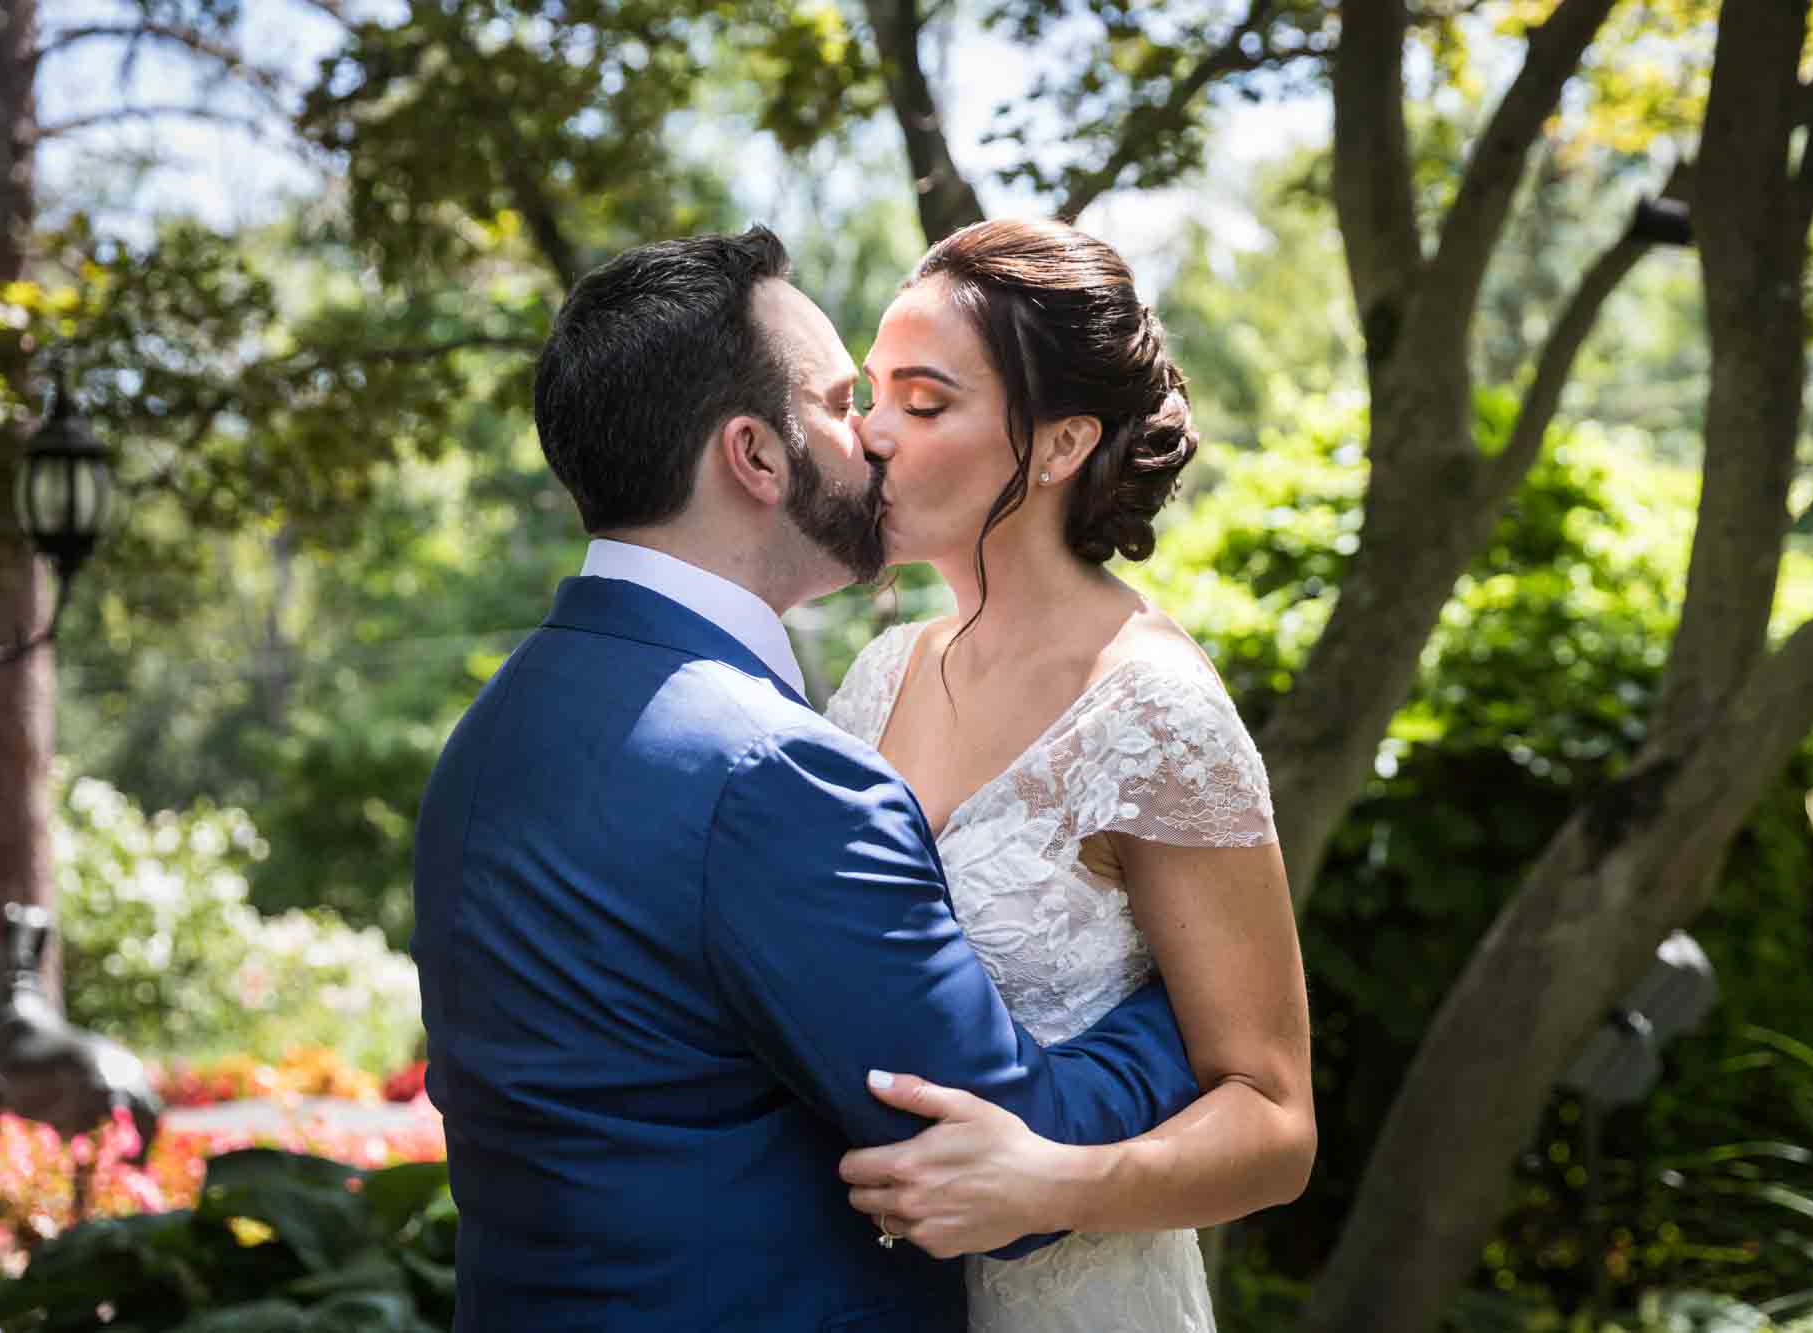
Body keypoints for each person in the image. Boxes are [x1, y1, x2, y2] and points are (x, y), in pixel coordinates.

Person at [408, 227, 1204, 1332]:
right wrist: (1177, 1003)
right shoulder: (773, 771)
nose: (875, 438)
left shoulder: (490, 732)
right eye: (842, 403)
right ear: (756, 458)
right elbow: (993, 1147)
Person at [824, 218, 1315, 1333]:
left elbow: (1274, 1120)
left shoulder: (1152, 710)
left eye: (925, 401)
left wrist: (1046, 1184)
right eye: (869, 394)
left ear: (1057, 445)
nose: (872, 436)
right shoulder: (878, 673)